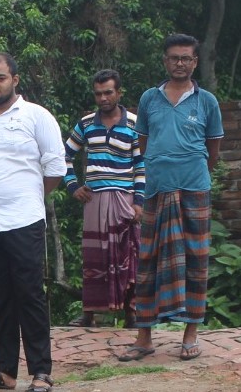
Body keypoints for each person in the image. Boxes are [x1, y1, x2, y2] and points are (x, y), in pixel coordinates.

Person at [0, 52, 65, 392]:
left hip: (23, 220)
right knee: (0, 299)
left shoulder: (37, 116)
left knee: (30, 296)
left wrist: (29, 198)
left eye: (0, 78)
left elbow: (54, 170)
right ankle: (5, 371)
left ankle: (41, 372)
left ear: (14, 80)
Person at [119, 33, 224, 362]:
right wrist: (162, 169)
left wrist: (190, 171)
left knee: (195, 261)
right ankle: (144, 337)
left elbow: (213, 150)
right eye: (174, 58)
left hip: (194, 189)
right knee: (147, 262)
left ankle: (191, 333)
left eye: (186, 58)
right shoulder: (150, 99)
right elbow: (145, 146)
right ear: (165, 61)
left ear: (195, 62)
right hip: (156, 191)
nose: (180, 63)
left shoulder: (206, 101)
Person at [64, 69, 145, 328]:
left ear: (119, 93)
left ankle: (132, 313)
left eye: (108, 92)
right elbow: (62, 155)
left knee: (129, 254)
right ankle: (91, 313)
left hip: (125, 198)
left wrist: (139, 202)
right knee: (94, 255)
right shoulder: (86, 124)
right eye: (98, 94)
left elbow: (142, 165)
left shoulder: (134, 124)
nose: (103, 98)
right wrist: (72, 185)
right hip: (94, 200)